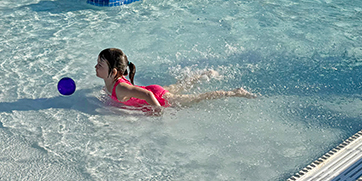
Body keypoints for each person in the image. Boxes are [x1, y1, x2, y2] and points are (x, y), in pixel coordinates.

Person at [95, 48, 255, 114]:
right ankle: (205, 74)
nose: (96, 66)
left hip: (159, 97)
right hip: (155, 90)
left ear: (114, 72)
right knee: (180, 86)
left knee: (196, 98)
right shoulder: (111, 79)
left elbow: (148, 94)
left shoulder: (121, 87)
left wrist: (158, 111)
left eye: (100, 65)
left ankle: (234, 92)